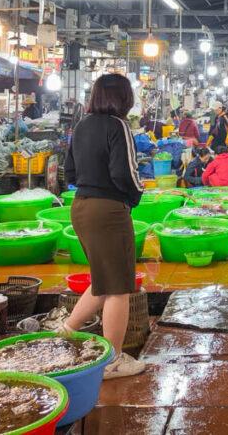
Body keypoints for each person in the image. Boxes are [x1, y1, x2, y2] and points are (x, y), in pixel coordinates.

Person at [63, 73, 147, 379]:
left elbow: (68, 170)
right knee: (119, 288)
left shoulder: (81, 126)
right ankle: (112, 359)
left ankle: (66, 331)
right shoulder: (117, 125)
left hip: (81, 205)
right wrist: (135, 195)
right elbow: (124, 172)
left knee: (103, 280)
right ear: (123, 98)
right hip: (107, 210)